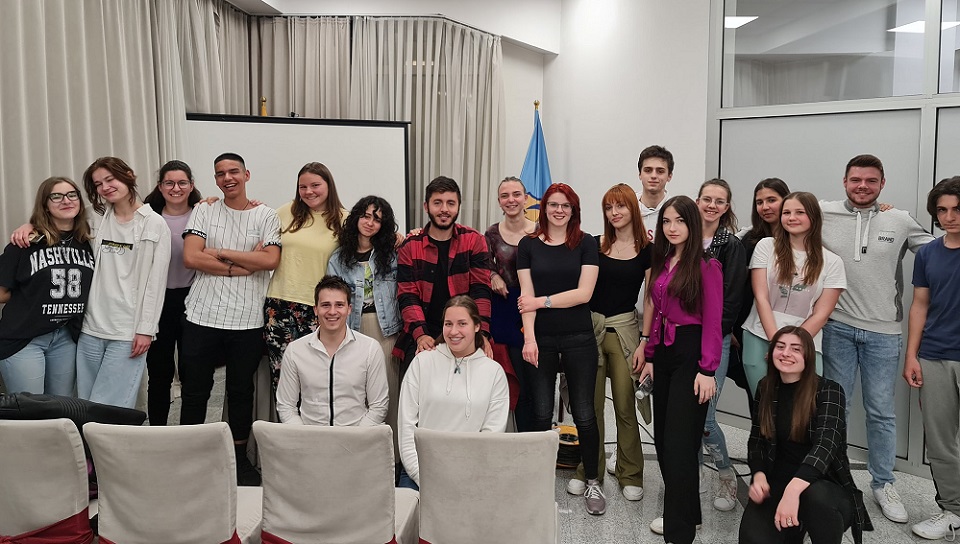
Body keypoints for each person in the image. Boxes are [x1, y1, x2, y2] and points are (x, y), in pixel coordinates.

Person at [820, 154, 933, 524]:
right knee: (836, 408)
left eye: (871, 181)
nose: (862, 186)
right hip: (837, 327)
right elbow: (784, 217)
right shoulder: (823, 212)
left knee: (881, 412)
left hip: (884, 333)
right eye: (856, 180)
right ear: (845, 181)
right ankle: (834, 477)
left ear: (882, 184)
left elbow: (938, 250)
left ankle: (883, 483)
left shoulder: (899, 220)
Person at [180, 152, 281, 486]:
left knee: (240, 393)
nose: (228, 178)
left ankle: (238, 460)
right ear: (215, 179)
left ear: (246, 175)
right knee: (195, 391)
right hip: (201, 315)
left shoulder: (266, 214)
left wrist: (218, 251)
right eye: (221, 173)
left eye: (234, 171)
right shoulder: (204, 209)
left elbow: (269, 260)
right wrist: (242, 265)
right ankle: (190, 458)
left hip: (247, 320)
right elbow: (191, 256)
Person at [635, 195, 721, 544]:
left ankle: (679, 531)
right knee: (663, 440)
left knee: (679, 445)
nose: (672, 228)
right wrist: (650, 356)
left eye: (680, 221)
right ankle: (689, 513)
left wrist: (708, 370)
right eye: (667, 221)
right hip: (664, 352)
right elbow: (656, 312)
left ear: (692, 224)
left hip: (691, 353)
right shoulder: (663, 260)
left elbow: (713, 321)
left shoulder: (706, 267)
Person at [739, 326, 872, 544]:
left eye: (795, 349)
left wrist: (793, 491)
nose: (786, 353)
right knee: (753, 539)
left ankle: (808, 524)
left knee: (815, 498)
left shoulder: (829, 390)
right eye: (780, 346)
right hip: (778, 481)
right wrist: (759, 476)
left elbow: (826, 446)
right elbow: (757, 441)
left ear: (808, 356)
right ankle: (796, 528)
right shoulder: (766, 387)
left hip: (823, 485)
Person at [517, 183, 602, 514]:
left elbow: (584, 294)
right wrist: (529, 338)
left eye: (566, 205)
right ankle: (538, 481)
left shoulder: (586, 243)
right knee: (541, 412)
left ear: (574, 210)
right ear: (544, 208)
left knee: (584, 412)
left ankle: (592, 480)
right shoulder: (528, 245)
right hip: (541, 339)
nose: (559, 210)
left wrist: (542, 302)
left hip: (579, 337)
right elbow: (525, 297)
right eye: (553, 204)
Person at [566, 183, 651, 502]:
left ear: (633, 209)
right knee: (590, 406)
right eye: (608, 207)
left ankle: (631, 472)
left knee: (626, 405)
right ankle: (590, 470)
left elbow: (652, 298)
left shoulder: (647, 249)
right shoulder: (594, 243)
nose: (614, 213)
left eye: (621, 206)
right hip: (589, 329)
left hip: (626, 331)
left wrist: (645, 340)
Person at [74, 158, 171, 409]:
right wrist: (28, 226)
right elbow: (56, 220)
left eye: (110, 179)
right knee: (85, 401)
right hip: (90, 328)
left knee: (111, 407)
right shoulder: (94, 216)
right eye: (98, 184)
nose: (105, 187)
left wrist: (146, 329)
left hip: (127, 331)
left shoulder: (154, 223)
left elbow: (156, 283)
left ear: (128, 175)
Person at [397, 295, 509, 490]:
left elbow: (492, 434)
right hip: (420, 469)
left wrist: (465, 478)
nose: (454, 331)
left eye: (462, 324)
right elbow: (406, 426)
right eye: (448, 324)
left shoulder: (494, 372)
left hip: (470, 472)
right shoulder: (422, 362)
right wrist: (421, 475)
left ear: (477, 326)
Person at [741, 192, 846, 396]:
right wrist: (776, 343)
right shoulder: (766, 246)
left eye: (799, 212)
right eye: (786, 213)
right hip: (759, 335)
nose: (791, 218)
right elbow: (761, 297)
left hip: (805, 343)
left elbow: (821, 314)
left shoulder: (833, 262)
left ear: (813, 217)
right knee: (763, 405)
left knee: (802, 408)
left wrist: (789, 346)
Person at [0, 177, 95, 396]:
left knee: (60, 407)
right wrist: (32, 297)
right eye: (56, 196)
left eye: (72, 195)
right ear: (45, 204)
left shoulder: (89, 241)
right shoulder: (25, 242)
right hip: (24, 338)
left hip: (66, 337)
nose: (66, 201)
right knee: (30, 407)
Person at [903, 176, 960, 540]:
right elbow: (920, 306)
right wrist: (912, 355)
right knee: (940, 442)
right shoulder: (927, 254)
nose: (949, 217)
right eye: (942, 210)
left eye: (957, 209)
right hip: (935, 355)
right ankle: (954, 510)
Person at [394, 176, 493, 372]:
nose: (444, 209)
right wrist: (421, 335)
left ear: (458, 206)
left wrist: (481, 334)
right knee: (414, 385)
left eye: (451, 203)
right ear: (426, 206)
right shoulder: (410, 246)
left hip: (464, 333)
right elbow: (407, 295)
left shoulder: (474, 240)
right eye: (437, 203)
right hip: (423, 331)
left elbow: (481, 291)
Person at [264, 162, 345, 389]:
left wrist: (397, 236)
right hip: (279, 305)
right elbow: (255, 231)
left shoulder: (344, 219)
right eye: (303, 187)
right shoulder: (285, 211)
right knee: (282, 378)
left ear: (329, 186)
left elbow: (372, 240)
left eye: (315, 185)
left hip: (319, 308)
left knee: (317, 379)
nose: (309, 191)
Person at [326, 196, 401, 437]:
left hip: (385, 329)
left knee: (388, 392)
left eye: (377, 219)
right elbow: (331, 297)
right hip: (351, 330)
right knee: (356, 393)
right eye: (366, 216)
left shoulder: (391, 255)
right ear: (356, 218)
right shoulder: (338, 258)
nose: (370, 223)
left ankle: (391, 452)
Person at [696, 179, 747, 512]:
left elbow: (731, 298)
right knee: (686, 415)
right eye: (707, 199)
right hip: (683, 338)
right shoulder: (683, 237)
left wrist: (715, 333)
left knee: (706, 418)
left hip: (715, 339)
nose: (712, 205)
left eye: (719, 201)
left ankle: (727, 476)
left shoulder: (731, 245)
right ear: (697, 201)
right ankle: (693, 475)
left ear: (726, 207)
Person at [276, 275, 388, 426]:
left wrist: (357, 435)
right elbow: (286, 406)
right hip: (310, 437)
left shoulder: (370, 349)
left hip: (356, 436)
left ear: (349, 309)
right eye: (325, 305)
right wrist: (303, 435)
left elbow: (379, 407)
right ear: (316, 309)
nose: (332, 311)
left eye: (339, 305)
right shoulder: (295, 351)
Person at [141, 160, 203, 425]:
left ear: (191, 185)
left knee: (192, 371)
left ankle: (189, 431)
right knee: (159, 373)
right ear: (160, 186)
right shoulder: (147, 218)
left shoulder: (203, 214)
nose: (176, 188)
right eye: (169, 183)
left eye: (182, 183)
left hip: (193, 301)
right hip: (158, 302)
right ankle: (158, 431)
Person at [732, 178, 791, 415]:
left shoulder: (802, 240)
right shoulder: (747, 241)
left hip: (793, 332)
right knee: (759, 402)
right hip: (752, 332)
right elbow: (737, 289)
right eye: (759, 202)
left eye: (771, 200)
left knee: (790, 402)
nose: (765, 207)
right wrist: (731, 329)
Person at [484, 176, 537, 431]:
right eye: (505, 196)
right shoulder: (491, 233)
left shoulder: (541, 231)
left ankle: (535, 435)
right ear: (499, 201)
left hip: (535, 307)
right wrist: (493, 276)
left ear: (525, 199)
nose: (511, 200)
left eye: (516, 194)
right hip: (504, 310)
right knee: (511, 376)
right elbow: (484, 265)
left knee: (533, 379)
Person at [636, 145, 674, 241]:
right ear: (640, 174)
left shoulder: (676, 210)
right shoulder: (627, 208)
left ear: (669, 176)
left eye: (660, 171)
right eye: (648, 170)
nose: (653, 176)